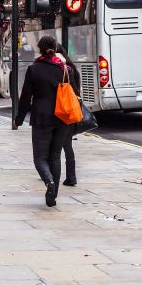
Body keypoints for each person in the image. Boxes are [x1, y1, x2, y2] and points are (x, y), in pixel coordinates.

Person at [16, 35, 77, 207]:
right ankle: (53, 195)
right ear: (56, 48)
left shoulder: (34, 69)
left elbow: (25, 98)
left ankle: (49, 182)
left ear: (39, 49)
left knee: (40, 158)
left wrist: (19, 120)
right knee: (55, 156)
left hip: (41, 118)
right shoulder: (65, 69)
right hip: (62, 117)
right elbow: (74, 92)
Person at [56, 43, 81, 186]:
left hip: (59, 111)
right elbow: (77, 92)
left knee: (55, 146)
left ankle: (52, 173)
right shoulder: (72, 69)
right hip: (70, 110)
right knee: (67, 145)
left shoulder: (59, 69)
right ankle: (71, 176)